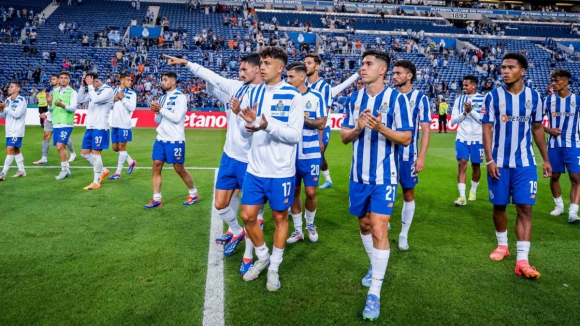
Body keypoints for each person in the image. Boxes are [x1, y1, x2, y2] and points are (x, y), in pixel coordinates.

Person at [164, 53, 263, 264]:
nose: (240, 72)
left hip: (251, 161)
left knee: (252, 215)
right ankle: (235, 231)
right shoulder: (238, 87)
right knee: (220, 205)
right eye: (240, 69)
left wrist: (241, 115)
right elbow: (213, 79)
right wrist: (186, 63)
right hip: (229, 157)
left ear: (257, 69)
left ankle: (249, 257)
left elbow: (254, 131)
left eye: (244, 69)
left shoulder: (265, 95)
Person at [341, 50, 412, 321]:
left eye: (368, 64)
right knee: (364, 225)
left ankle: (375, 293)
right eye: (362, 63)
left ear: (382, 70)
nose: (363, 67)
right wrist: (359, 127)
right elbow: (344, 138)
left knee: (380, 227)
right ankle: (374, 265)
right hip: (357, 176)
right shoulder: (354, 99)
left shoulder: (397, 99)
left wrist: (380, 128)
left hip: (385, 177)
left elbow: (405, 138)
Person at [237, 46, 303, 292]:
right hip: (255, 168)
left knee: (279, 218)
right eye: (261, 63)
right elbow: (252, 127)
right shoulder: (255, 93)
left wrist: (266, 125)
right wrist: (250, 125)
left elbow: (294, 135)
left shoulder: (292, 96)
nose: (261, 67)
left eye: (266, 63)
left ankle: (274, 266)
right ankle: (263, 256)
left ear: (280, 67)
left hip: (280, 171)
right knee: (248, 217)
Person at [482, 52, 551, 279]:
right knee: (499, 206)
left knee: (525, 208)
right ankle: (503, 245)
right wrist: (490, 159)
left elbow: (538, 129)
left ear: (522, 71)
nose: (504, 71)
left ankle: (523, 260)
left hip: (525, 163)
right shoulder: (493, 97)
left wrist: (546, 159)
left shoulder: (535, 97)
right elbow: (487, 129)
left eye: (510, 67)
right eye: (503, 67)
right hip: (499, 163)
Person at [285, 62, 327, 244]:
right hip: (290, 154)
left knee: (310, 192)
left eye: (291, 76)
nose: (288, 80)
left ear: (302, 77)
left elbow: (321, 123)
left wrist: (302, 118)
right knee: (294, 191)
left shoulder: (316, 97)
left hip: (310, 154)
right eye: (287, 77)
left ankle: (310, 224)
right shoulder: (285, 97)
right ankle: (297, 229)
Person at [144, 71, 199, 209]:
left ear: (173, 82)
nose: (162, 82)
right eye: (162, 79)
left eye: (165, 79)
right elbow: (158, 121)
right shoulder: (162, 99)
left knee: (179, 168)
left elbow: (176, 118)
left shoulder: (181, 97)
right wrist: (156, 112)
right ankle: (156, 198)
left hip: (175, 139)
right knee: (156, 165)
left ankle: (193, 193)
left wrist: (160, 110)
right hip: (161, 138)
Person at [391, 59, 431, 251]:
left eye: (398, 73)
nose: (394, 76)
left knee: (408, 193)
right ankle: (385, 220)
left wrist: (421, 156)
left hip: (408, 156)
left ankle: (403, 234)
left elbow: (425, 129)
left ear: (409, 76)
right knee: (385, 192)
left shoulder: (421, 98)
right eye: (394, 73)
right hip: (388, 155)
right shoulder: (389, 96)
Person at [543, 69, 580, 224]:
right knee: (555, 176)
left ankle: (573, 211)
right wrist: (549, 130)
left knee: (576, 177)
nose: (554, 83)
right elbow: (536, 122)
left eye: (557, 80)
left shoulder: (577, 100)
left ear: (566, 81)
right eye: (553, 80)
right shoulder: (547, 101)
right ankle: (559, 205)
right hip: (554, 145)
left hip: (574, 144)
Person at [450, 75, 486, 206]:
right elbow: (453, 120)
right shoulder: (459, 99)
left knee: (476, 166)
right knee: (462, 163)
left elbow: (483, 119)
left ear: (474, 85)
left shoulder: (484, 99)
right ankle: (462, 196)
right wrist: (464, 113)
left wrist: (471, 111)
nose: (463, 87)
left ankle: (473, 190)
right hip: (462, 137)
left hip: (478, 138)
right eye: (463, 85)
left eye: (466, 85)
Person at [77, 72, 113, 190]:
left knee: (96, 154)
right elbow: (80, 99)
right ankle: (103, 170)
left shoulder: (108, 90)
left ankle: (96, 181)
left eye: (90, 82)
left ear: (96, 81)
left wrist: (90, 86)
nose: (89, 85)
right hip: (90, 126)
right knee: (85, 153)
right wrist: (83, 86)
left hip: (100, 127)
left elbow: (97, 100)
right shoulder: (93, 90)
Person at [304, 53, 333, 189]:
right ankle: (328, 179)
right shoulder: (300, 83)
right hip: (304, 127)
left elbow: (324, 116)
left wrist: (320, 139)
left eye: (309, 63)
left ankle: (312, 188)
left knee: (318, 154)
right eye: (304, 63)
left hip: (321, 128)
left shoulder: (325, 87)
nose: (305, 65)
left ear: (317, 66)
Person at [33, 74, 76, 165]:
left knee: (63, 140)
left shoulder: (68, 92)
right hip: (51, 119)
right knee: (46, 137)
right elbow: (52, 107)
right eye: (51, 79)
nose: (51, 81)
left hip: (62, 119)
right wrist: (49, 105)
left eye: (53, 79)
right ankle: (44, 158)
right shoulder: (52, 92)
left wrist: (46, 113)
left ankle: (72, 153)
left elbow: (65, 107)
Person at [49, 71, 78, 180]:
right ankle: (67, 169)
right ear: (59, 79)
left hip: (66, 123)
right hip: (56, 123)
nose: (63, 79)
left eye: (65, 78)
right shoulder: (55, 92)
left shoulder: (72, 92)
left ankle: (64, 170)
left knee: (59, 146)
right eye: (61, 77)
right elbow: (51, 109)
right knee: (61, 148)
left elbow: (73, 108)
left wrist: (62, 105)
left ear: (69, 80)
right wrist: (49, 103)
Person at [109, 71, 137, 180]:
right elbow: (109, 104)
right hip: (114, 124)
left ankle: (117, 172)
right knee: (115, 148)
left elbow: (132, 108)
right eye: (128, 80)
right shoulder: (114, 91)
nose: (130, 82)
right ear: (122, 81)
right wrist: (113, 99)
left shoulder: (132, 93)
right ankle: (131, 161)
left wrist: (123, 98)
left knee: (122, 148)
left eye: (131, 80)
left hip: (124, 125)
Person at [0, 82, 27, 180]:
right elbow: (3, 117)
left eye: (11, 87)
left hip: (17, 130)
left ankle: (3, 173)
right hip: (9, 129)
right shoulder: (7, 100)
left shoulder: (21, 100)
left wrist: (5, 108)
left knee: (10, 149)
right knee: (15, 150)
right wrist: (1, 110)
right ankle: (22, 170)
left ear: (17, 89)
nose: (9, 88)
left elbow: (17, 114)